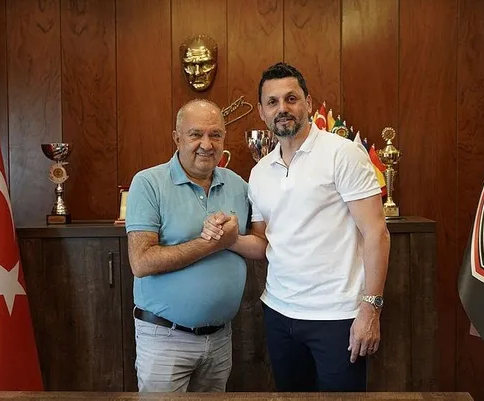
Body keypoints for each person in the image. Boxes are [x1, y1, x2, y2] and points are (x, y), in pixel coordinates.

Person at [203, 62, 391, 392]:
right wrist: (229, 239)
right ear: (261, 111)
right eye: (272, 102)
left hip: (337, 316)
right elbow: (262, 244)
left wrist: (370, 309)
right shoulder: (260, 172)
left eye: (291, 98)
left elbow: (377, 232)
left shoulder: (343, 154)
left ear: (308, 102)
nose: (283, 108)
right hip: (279, 313)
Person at [125, 99, 267, 393]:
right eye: (196, 134)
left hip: (219, 339)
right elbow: (141, 262)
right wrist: (212, 243)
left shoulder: (239, 185)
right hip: (165, 338)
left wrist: (232, 239)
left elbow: (261, 245)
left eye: (215, 135)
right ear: (177, 138)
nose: (206, 144)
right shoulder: (148, 183)